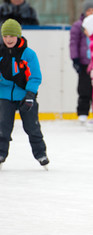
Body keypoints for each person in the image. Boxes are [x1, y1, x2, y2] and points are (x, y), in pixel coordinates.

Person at [0, 19, 49, 170]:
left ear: (18, 36)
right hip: (4, 96)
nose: (8, 39)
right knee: (2, 127)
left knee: (32, 127)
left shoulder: (28, 54)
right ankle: (1, 154)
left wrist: (30, 94)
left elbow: (35, 77)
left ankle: (41, 154)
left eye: (12, 36)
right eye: (5, 36)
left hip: (24, 95)